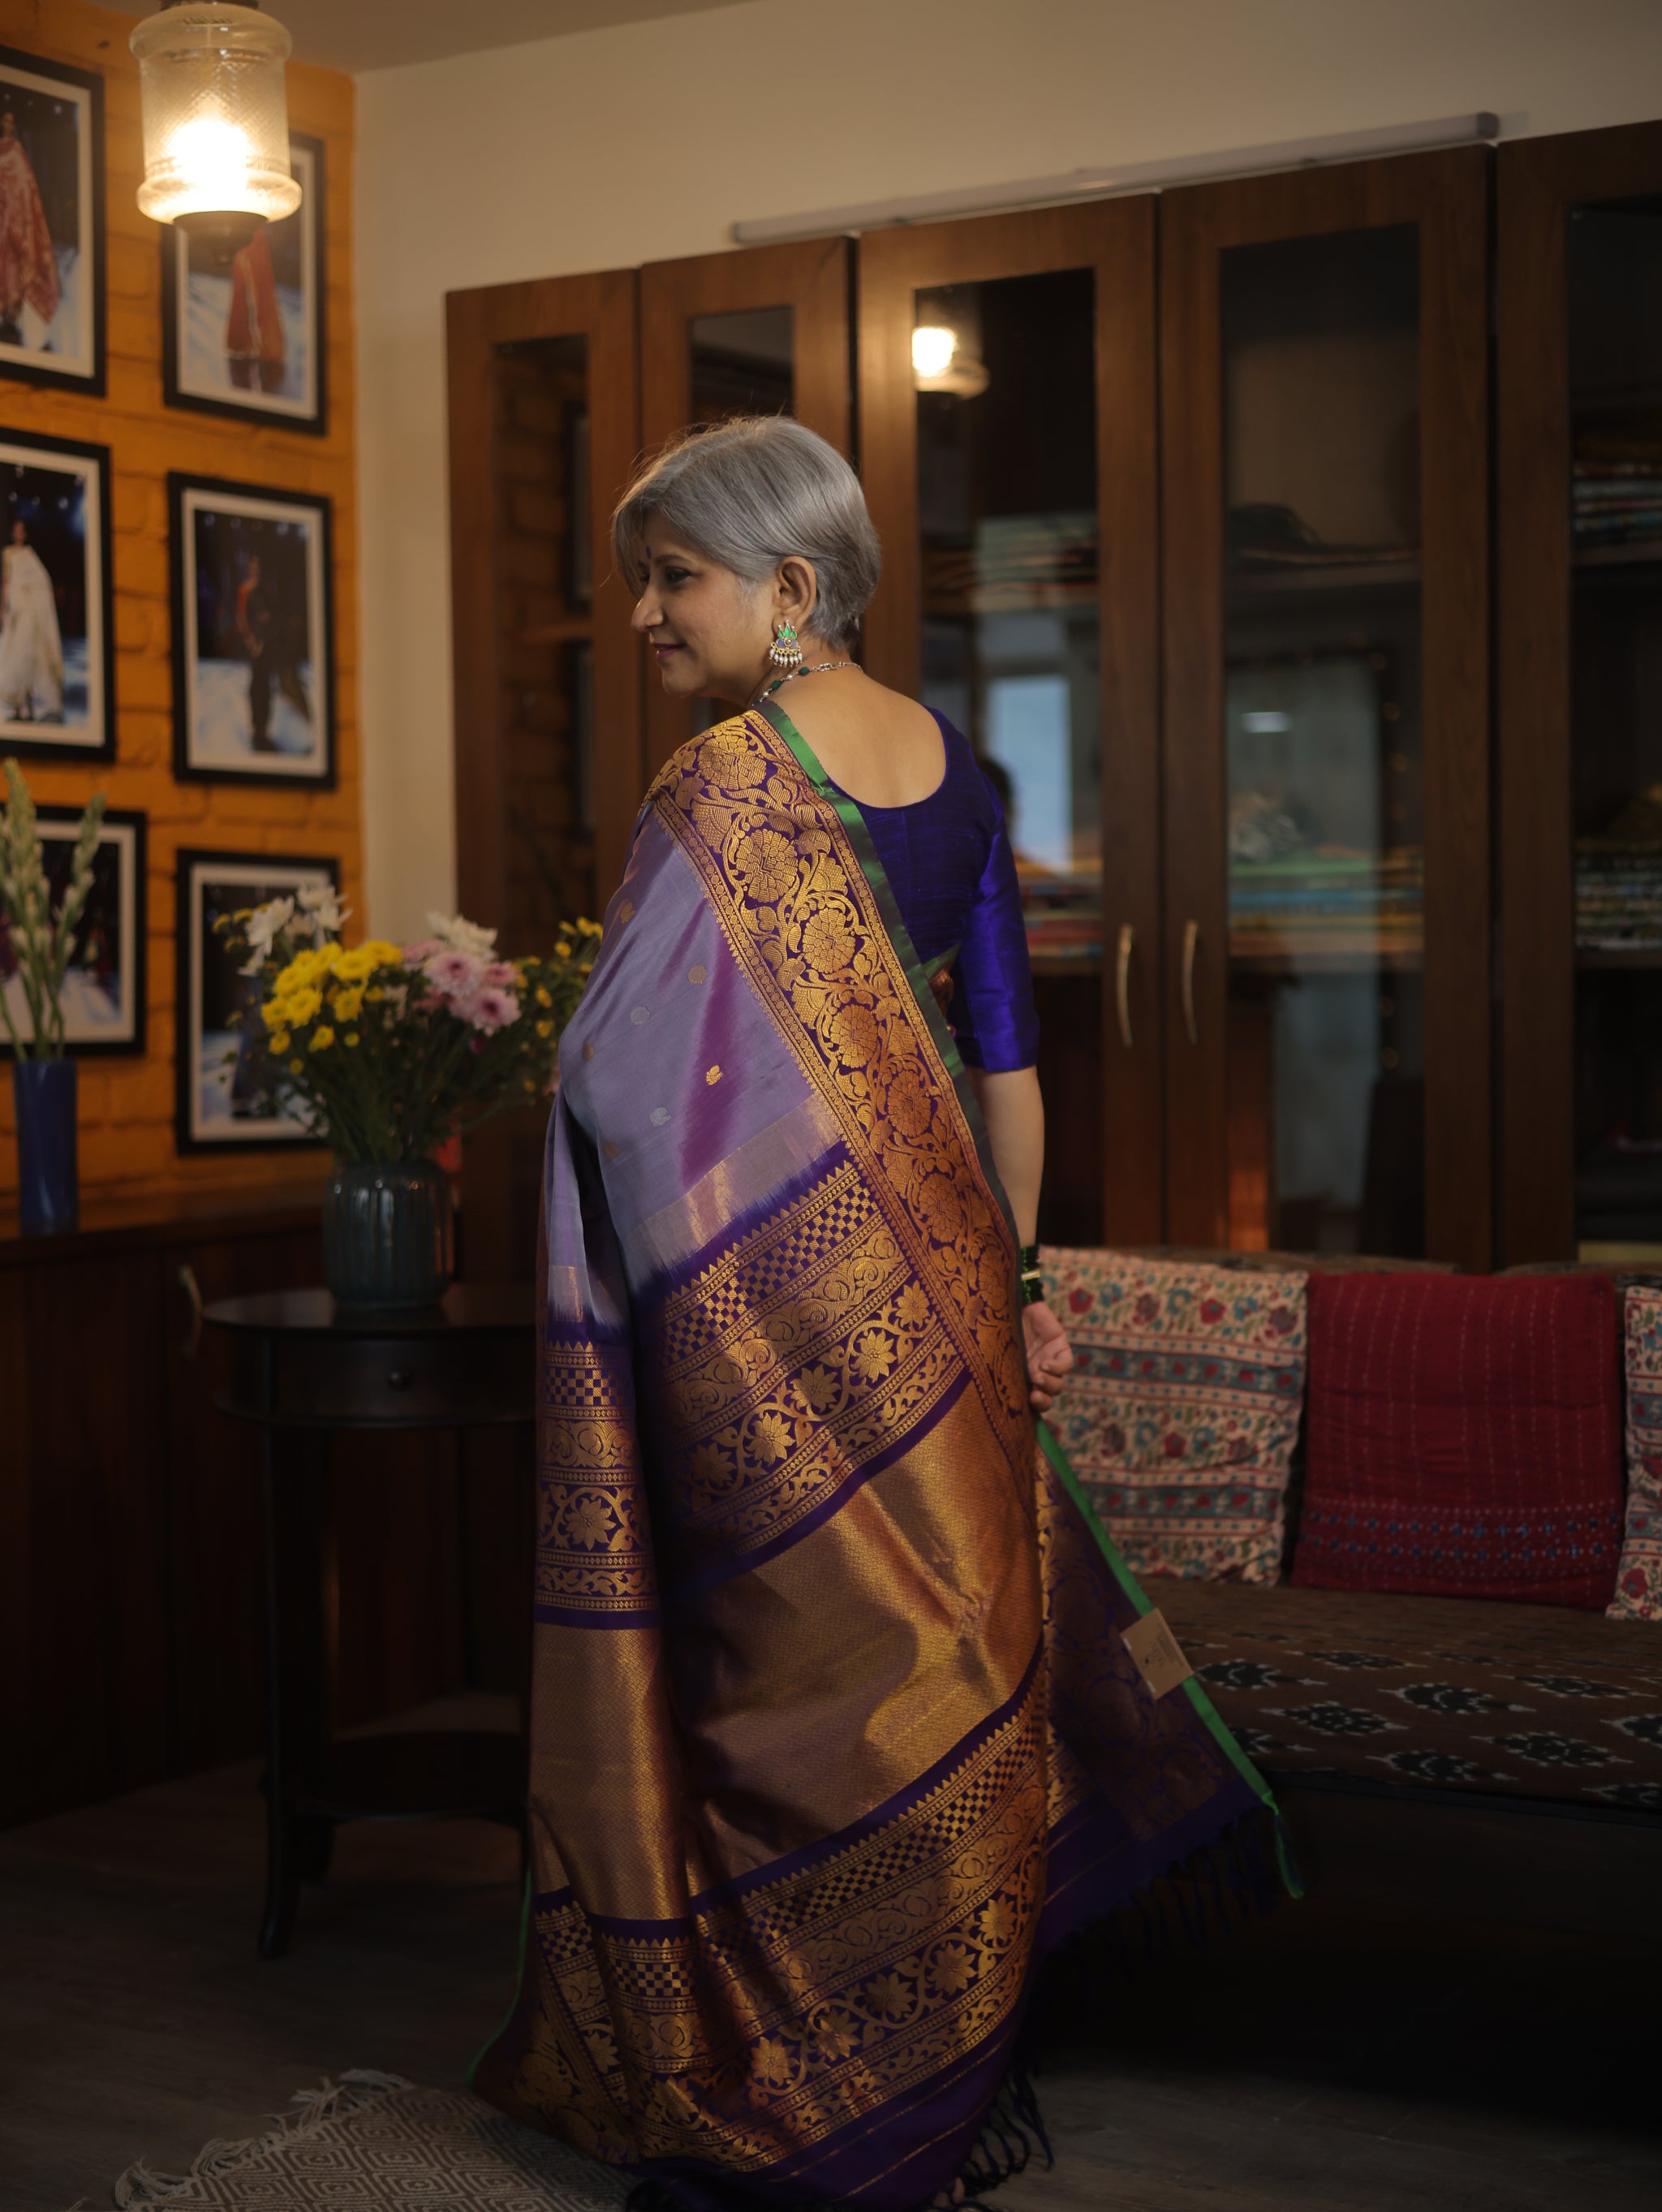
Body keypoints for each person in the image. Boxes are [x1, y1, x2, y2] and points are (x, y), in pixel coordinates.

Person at [471, 417, 1290, 2210]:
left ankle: (803, 2059)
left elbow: (617, 1083)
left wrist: (646, 1164)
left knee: (786, 1675)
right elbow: (1006, 1065)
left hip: (770, 1319)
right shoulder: (951, 764)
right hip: (952, 1294)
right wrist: (1015, 1275)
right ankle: (942, 2038)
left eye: (672, 580)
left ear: (787, 588)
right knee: (941, 1668)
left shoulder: (723, 785)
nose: (643, 618)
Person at [0, 110, 59, 349]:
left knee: (13, 265)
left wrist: (19, 214)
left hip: (13, 218)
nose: (8, 125)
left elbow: (26, 185)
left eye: (11, 122)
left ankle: (11, 316)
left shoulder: (16, 151)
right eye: (5, 121)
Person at [0, 518, 62, 723]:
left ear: (25, 534)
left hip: (30, 611)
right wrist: (4, 607)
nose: (19, 533)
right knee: (15, 654)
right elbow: (6, 580)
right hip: (16, 608)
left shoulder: (30, 554)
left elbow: (42, 580)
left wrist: (32, 594)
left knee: (29, 655)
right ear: (12, 533)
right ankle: (17, 706)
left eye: (22, 530)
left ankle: (29, 704)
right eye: (16, 530)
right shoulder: (7, 553)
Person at [226, 225, 286, 394]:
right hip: (244, 239)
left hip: (251, 239)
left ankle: (265, 344)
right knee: (243, 291)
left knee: (260, 291)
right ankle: (242, 343)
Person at [235, 553, 276, 752]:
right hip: (254, 645)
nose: (255, 570)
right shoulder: (244, 590)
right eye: (252, 567)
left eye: (257, 567)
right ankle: (257, 731)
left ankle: (264, 730)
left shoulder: (266, 589)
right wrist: (250, 639)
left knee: (265, 687)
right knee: (256, 687)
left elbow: (272, 615)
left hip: (267, 644)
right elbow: (241, 617)